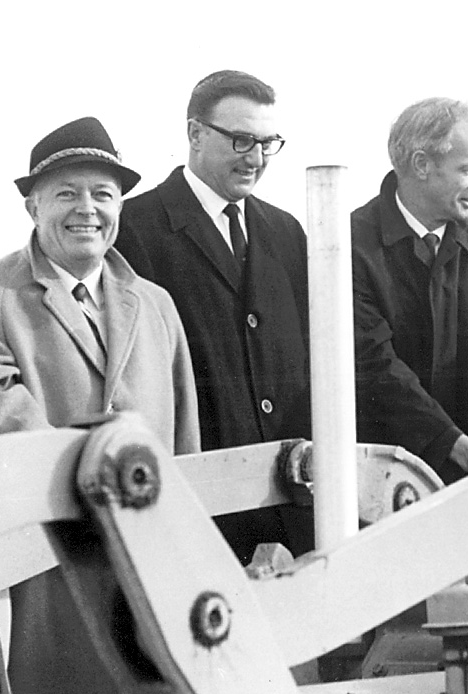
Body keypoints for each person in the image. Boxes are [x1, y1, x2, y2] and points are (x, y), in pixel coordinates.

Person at [0, 116, 201, 694]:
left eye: (103, 194)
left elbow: (185, 443)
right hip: (49, 576)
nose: (87, 209)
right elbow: (4, 417)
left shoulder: (156, 304)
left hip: (152, 572)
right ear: (32, 207)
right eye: (66, 193)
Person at [115, 70, 311, 563]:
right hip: (200, 512)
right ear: (195, 134)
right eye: (242, 140)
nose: (258, 158)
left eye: (269, 143)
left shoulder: (286, 232)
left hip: (290, 506)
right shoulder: (134, 230)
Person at [352, 97, 468, 485]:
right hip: (376, 481)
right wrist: (453, 444)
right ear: (421, 165)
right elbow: (373, 366)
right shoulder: (346, 247)